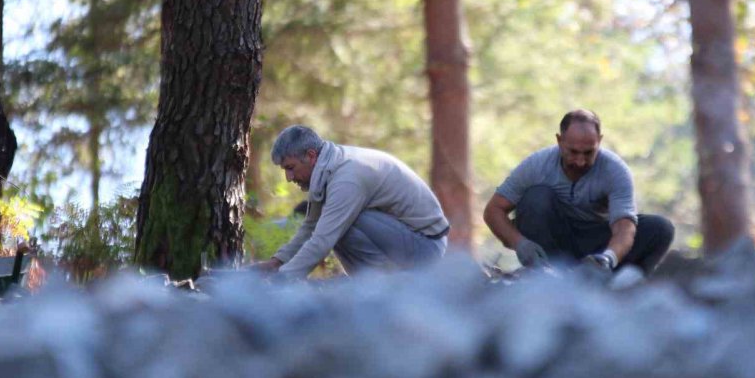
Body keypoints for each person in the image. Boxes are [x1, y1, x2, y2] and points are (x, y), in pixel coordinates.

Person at [483, 109, 674, 274]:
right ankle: (546, 275)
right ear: (559, 141)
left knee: (661, 228)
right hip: (551, 240)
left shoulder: (615, 170)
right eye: (573, 152)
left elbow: (624, 226)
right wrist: (520, 243)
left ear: (599, 141)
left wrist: (608, 257)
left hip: (597, 241)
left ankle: (617, 283)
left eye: (589, 152)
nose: (580, 161)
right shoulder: (536, 165)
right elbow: (493, 210)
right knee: (536, 197)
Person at [255, 125, 450, 277]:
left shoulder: (346, 178)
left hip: (426, 247)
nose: (289, 177)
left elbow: (322, 240)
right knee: (333, 221)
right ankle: (375, 282)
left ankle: (385, 284)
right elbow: (311, 226)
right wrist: (276, 263)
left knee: (339, 224)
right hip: (407, 238)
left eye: (291, 167)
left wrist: (283, 279)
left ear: (311, 156)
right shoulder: (328, 169)